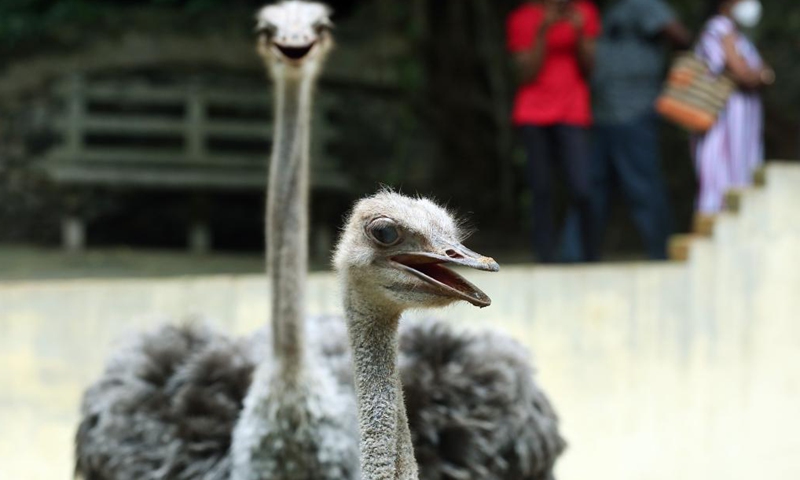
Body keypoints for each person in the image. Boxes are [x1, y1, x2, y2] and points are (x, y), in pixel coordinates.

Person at [561, 0, 692, 261]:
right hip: (603, 113)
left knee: (642, 188)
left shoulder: (644, 4)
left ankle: (663, 255)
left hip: (635, 111)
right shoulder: (605, 10)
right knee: (592, 189)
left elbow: (680, 36)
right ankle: (575, 257)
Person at [507, 0, 602, 263]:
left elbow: (590, 69)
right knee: (541, 188)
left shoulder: (585, 12)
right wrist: (542, 30)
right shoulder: (523, 17)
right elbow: (526, 74)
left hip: (573, 111)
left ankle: (590, 256)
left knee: (581, 187)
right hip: (533, 113)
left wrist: (580, 32)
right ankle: (545, 258)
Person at [693, 0, 773, 215]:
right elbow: (744, 73)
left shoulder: (739, 33)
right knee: (720, 179)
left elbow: (759, 73)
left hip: (743, 123)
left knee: (741, 178)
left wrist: (760, 74)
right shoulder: (719, 28)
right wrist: (761, 75)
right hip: (723, 121)